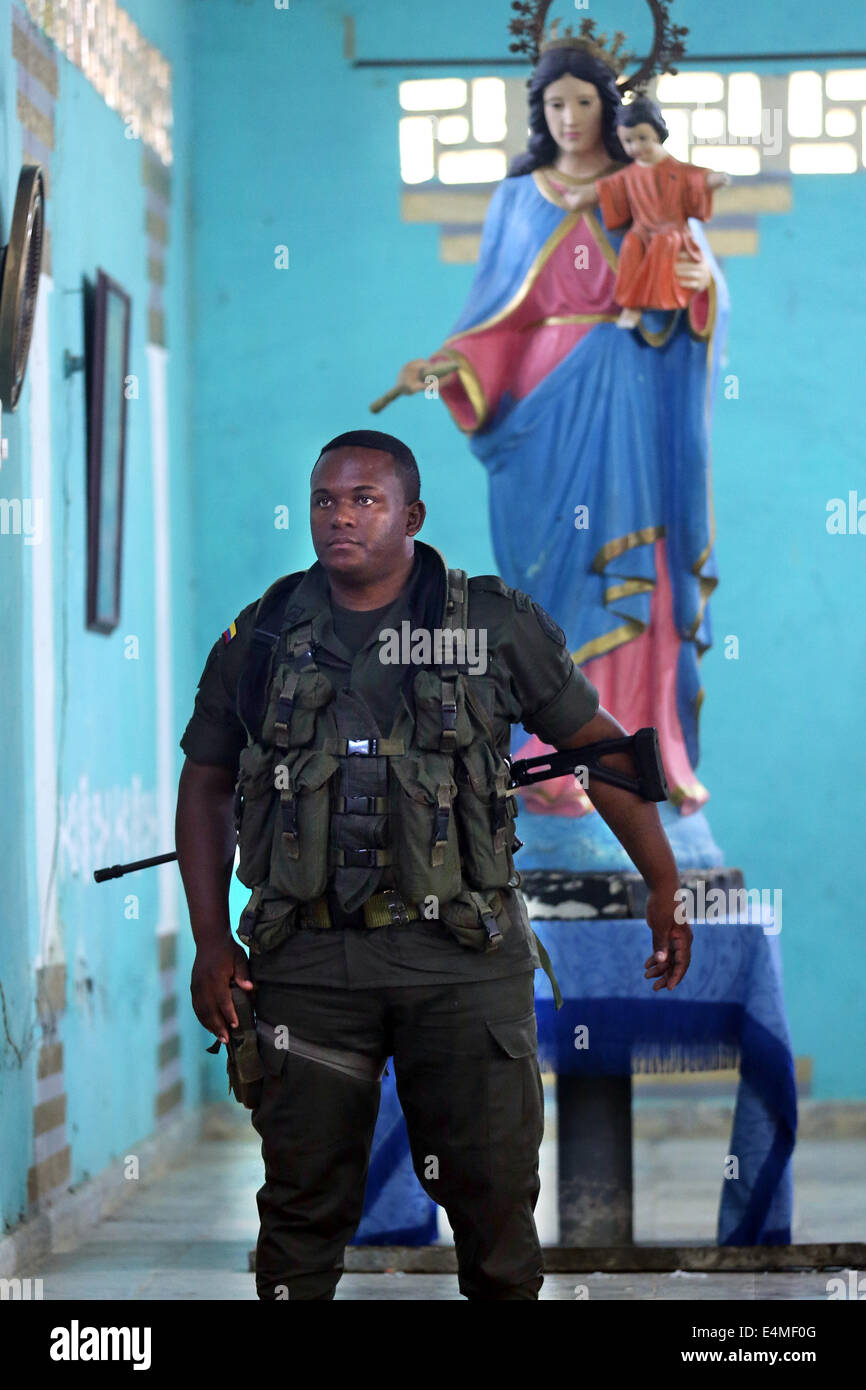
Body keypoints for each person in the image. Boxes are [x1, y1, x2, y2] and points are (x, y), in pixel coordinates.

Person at [175, 428, 692, 1302]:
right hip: (308, 966)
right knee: (301, 1211)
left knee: (493, 1212)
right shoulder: (263, 633)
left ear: (411, 514)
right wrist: (209, 937)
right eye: (325, 501)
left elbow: (601, 753)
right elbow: (208, 783)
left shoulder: (492, 626)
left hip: (461, 964)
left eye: (365, 501)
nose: (341, 517)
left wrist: (665, 883)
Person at [392, 41, 729, 828]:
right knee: (547, 591)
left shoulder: (648, 187)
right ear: (538, 112)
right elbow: (493, 320)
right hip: (541, 414)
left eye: (583, 102)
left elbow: (698, 286)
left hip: (631, 400)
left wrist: (698, 289)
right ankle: (553, 768)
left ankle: (641, 756)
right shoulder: (518, 199)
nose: (569, 119)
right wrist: (445, 368)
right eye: (554, 104)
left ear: (608, 110)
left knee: (631, 567)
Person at [562, 96, 730, 329]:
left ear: (657, 134)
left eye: (643, 139)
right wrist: (583, 193)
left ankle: (663, 298)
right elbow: (608, 187)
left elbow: (695, 178)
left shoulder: (675, 169)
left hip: (671, 231)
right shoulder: (631, 173)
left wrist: (713, 180)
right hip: (641, 230)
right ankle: (632, 303)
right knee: (631, 245)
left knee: (663, 244)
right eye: (628, 141)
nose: (636, 147)